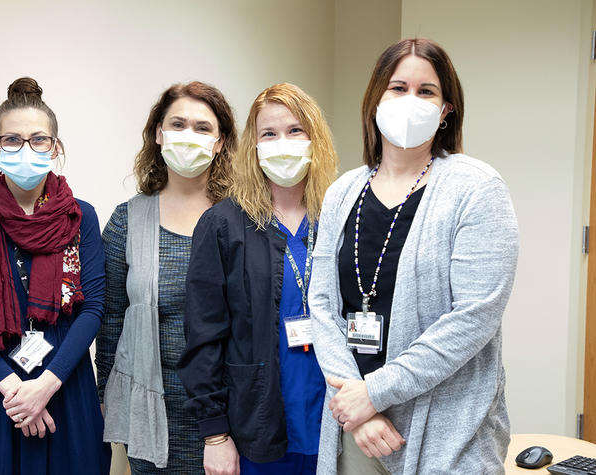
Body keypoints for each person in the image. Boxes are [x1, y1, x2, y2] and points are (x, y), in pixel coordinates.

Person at [309, 38, 519, 474]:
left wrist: (374, 393)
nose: (411, 100)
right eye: (397, 87)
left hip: (449, 433)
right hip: (359, 431)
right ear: (374, 101)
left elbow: (473, 317)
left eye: (427, 92)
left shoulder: (476, 189)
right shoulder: (342, 192)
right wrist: (359, 404)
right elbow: (323, 305)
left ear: (446, 111)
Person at [0, 77, 111, 475]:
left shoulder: (80, 216)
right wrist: (16, 391)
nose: (26, 149)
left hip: (65, 389)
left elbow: (94, 309)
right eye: (12, 140)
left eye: (39, 139)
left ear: (55, 147)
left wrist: (47, 384)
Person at [178, 83, 339, 475]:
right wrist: (215, 435)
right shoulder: (224, 224)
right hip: (257, 427)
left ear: (314, 139)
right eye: (269, 133)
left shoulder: (338, 215)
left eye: (295, 131)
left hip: (336, 420)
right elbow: (203, 335)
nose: (282, 142)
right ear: (253, 144)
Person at [95, 81, 238, 473]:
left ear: (220, 141)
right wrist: (105, 392)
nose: (189, 136)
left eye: (203, 127)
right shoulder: (127, 220)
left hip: (228, 417)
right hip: (148, 410)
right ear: (159, 134)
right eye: (178, 124)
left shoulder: (240, 221)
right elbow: (110, 319)